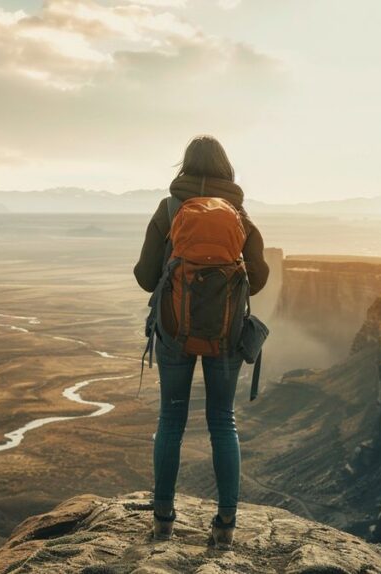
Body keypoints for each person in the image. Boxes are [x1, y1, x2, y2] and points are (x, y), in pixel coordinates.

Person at [133, 135, 269, 545]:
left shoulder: (169, 208)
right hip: (225, 336)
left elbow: (143, 276)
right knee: (222, 423)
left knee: (170, 421)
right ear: (226, 169)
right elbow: (259, 280)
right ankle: (225, 526)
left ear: (184, 167)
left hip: (175, 332)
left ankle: (162, 520)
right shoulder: (240, 215)